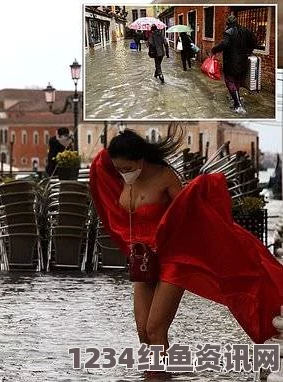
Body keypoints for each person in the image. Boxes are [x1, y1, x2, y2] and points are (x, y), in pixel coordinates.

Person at [89, 129, 283, 378]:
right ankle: (156, 374)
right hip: (143, 260)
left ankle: (159, 378)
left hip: (173, 258)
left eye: (127, 168)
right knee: (142, 331)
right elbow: (101, 165)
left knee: (155, 328)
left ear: (141, 160)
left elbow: (188, 214)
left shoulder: (165, 177)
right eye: (119, 169)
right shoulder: (121, 176)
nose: (124, 173)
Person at [211, 15, 257, 115]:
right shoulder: (246, 31)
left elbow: (224, 44)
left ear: (227, 23)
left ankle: (238, 104)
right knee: (237, 80)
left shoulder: (228, 32)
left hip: (231, 63)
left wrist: (214, 50)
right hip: (243, 61)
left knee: (229, 81)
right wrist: (248, 51)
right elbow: (254, 42)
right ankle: (236, 97)